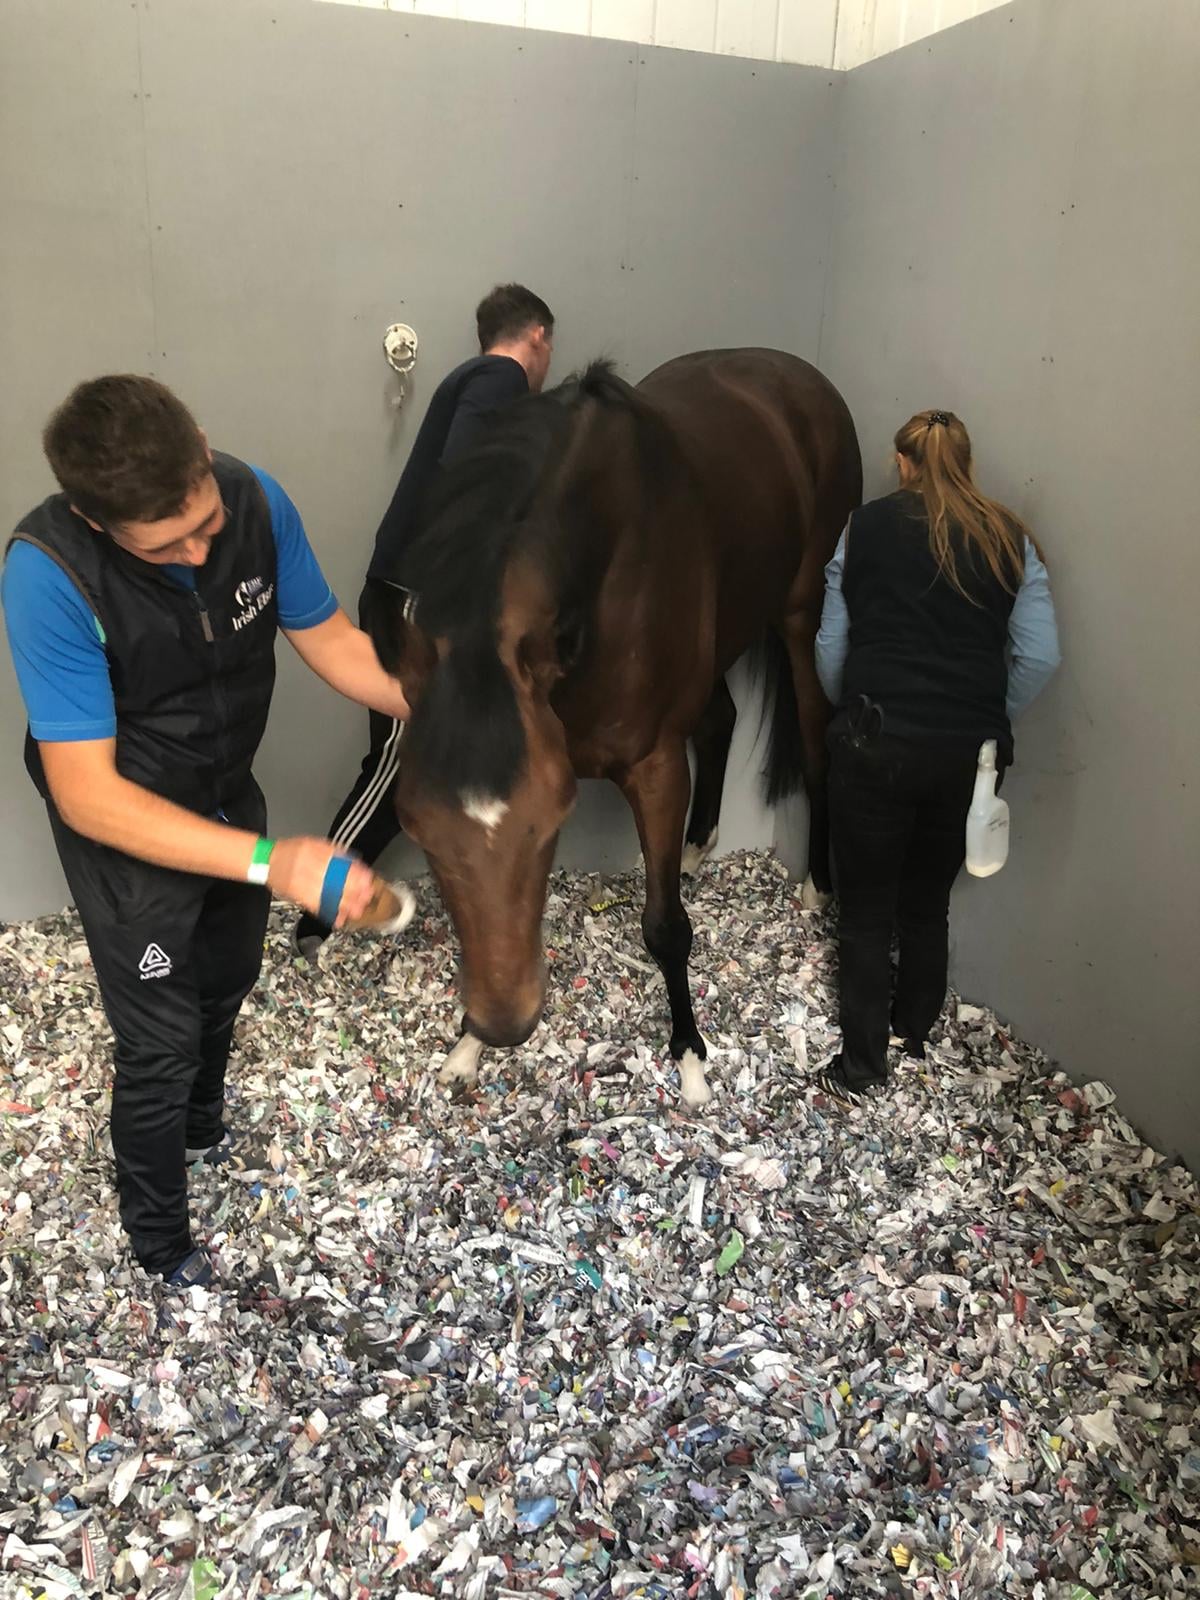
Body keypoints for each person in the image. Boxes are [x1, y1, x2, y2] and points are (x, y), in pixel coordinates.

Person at [1, 376, 411, 1286]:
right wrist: (275, 862)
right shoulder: (47, 571)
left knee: (227, 976)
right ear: (96, 519)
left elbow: (334, 641)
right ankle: (160, 1241)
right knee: (158, 1040)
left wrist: (454, 709)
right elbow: (87, 796)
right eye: (166, 544)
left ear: (201, 447)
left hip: (224, 785)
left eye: (206, 525)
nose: (197, 551)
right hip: (126, 822)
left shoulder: (256, 502)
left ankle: (200, 1125)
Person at [293, 282, 555, 958]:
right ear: (538, 337)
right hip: (413, 598)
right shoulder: (499, 378)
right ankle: (318, 911)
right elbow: (466, 470)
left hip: (410, 590)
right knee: (393, 763)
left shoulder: (470, 378)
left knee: (413, 760)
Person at [813, 408, 1061, 1109]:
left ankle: (862, 1067)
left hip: (875, 742)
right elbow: (1041, 655)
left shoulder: (864, 528)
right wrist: (985, 717)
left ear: (903, 463)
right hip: (968, 759)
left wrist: (850, 707)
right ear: (966, 461)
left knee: (865, 914)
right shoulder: (1010, 537)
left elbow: (832, 645)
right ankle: (913, 1033)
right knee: (926, 905)